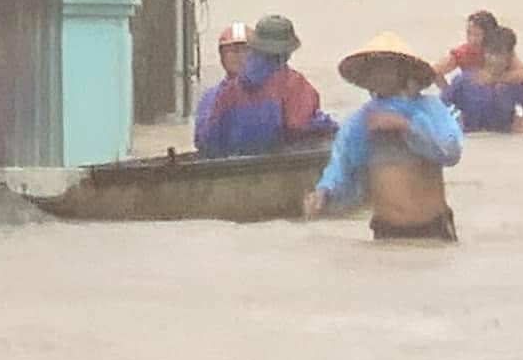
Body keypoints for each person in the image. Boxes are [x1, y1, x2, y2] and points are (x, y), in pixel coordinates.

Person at [303, 32, 464, 241]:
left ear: (403, 71)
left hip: (433, 230)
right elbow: (342, 163)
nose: (377, 74)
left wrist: (406, 126)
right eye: (372, 68)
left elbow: (451, 152)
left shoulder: (429, 109)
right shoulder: (361, 121)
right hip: (386, 232)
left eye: (385, 67)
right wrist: (323, 192)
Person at [194, 15, 333, 159]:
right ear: (288, 52)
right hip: (280, 168)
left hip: (234, 168)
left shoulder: (226, 93)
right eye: (233, 51)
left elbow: (207, 141)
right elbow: (301, 125)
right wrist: (329, 127)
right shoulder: (294, 84)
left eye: (243, 50)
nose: (238, 56)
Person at [443, 25, 523, 134]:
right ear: (484, 52)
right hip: (470, 137)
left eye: (499, 54)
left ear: (509, 55)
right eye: (490, 53)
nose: (494, 59)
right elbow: (442, 107)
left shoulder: (517, 83)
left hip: (504, 140)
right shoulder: (464, 80)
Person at [442, 9, 501, 78]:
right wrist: (449, 89)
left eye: (477, 34)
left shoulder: (501, 51)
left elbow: (516, 74)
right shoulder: (462, 53)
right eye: (469, 33)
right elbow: (435, 72)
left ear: (490, 35)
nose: (472, 39)